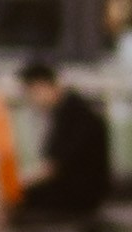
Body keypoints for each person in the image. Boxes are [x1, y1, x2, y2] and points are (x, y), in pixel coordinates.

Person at [14, 58, 111, 222]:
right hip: (87, 191)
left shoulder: (72, 114)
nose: (32, 101)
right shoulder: (75, 108)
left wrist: (17, 182)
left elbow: (53, 167)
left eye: (30, 93)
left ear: (41, 86)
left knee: (17, 201)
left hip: (80, 195)